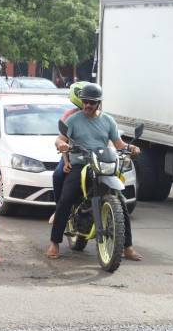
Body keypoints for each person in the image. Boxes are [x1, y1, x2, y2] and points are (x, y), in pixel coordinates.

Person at [47, 83, 143, 261]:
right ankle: (54, 242)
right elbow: (60, 138)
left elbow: (119, 144)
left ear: (99, 103)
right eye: (85, 101)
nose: (88, 105)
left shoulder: (108, 121)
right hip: (81, 165)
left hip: (103, 164)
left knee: (121, 202)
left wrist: (132, 147)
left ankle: (127, 247)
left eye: (92, 102)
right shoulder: (74, 120)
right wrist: (61, 144)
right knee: (66, 199)